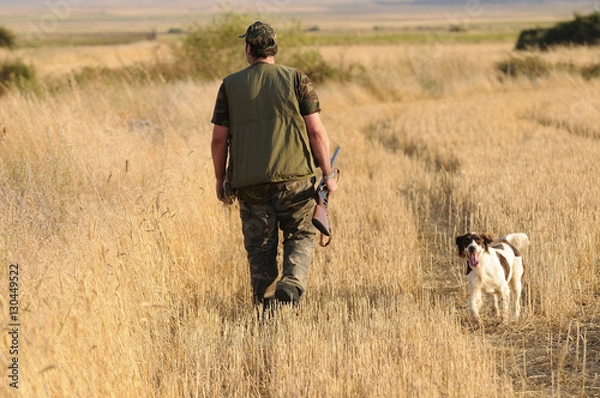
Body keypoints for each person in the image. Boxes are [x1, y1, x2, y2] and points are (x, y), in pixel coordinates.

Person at [210, 21, 338, 309]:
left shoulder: (230, 85)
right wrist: (328, 174)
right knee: (301, 234)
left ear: (248, 49)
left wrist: (220, 180)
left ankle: (266, 313)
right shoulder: (296, 78)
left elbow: (219, 139)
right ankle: (292, 283)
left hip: (249, 185)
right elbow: (316, 131)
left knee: (260, 250)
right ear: (274, 48)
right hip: (295, 180)